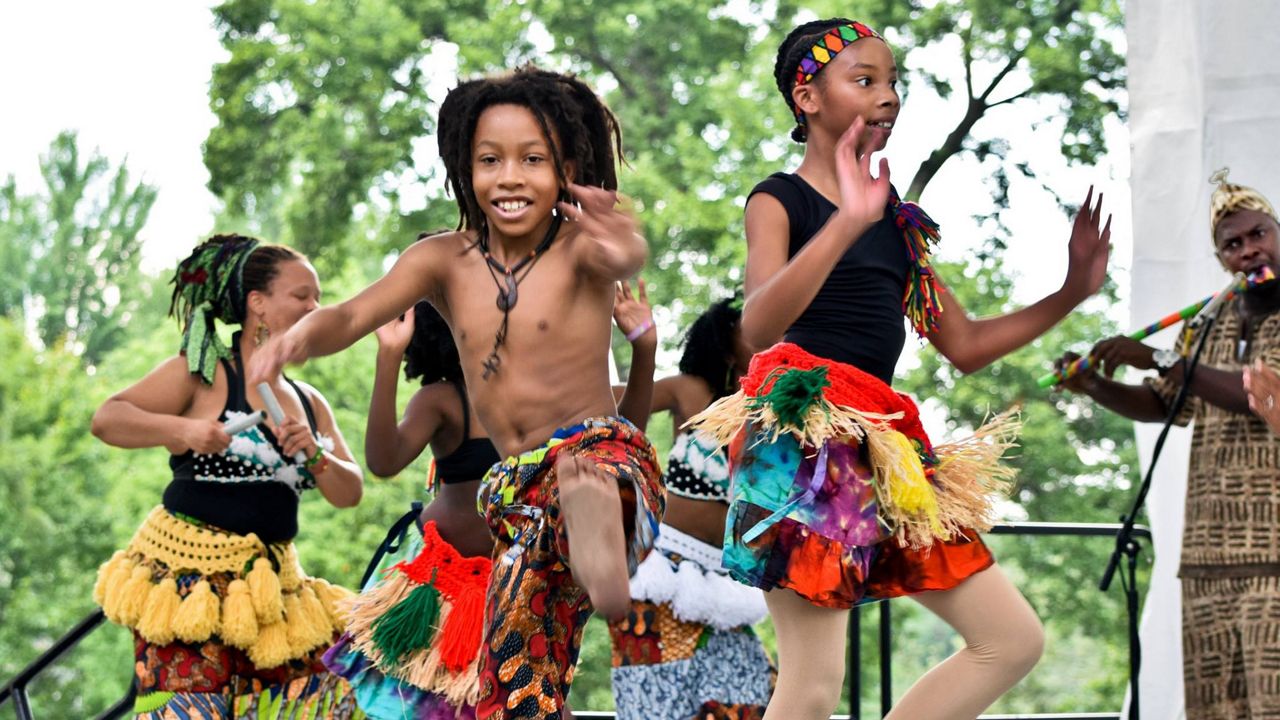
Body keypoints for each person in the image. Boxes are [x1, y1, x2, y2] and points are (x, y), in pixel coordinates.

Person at [688, 19, 1112, 719]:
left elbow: (966, 344)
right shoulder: (778, 198)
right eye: (865, 80)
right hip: (802, 440)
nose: (888, 96)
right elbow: (757, 324)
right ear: (807, 96)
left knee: (1009, 641)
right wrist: (845, 224)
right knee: (815, 685)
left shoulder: (898, 222)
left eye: (893, 83)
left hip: (885, 446)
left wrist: (1071, 291)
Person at [248, 67, 664, 720]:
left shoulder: (581, 247)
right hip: (520, 494)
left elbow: (626, 256)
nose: (509, 177)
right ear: (463, 168)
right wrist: (295, 339)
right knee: (513, 683)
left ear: (568, 168)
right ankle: (586, 564)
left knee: (591, 480)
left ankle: (600, 551)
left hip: (596, 458)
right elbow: (352, 315)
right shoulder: (443, 260)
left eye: (533, 160)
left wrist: (622, 240)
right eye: (489, 160)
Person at [324, 291, 661, 720]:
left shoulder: (545, 396)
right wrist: (389, 355)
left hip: (519, 587)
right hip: (444, 590)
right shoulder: (443, 398)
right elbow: (383, 460)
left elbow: (617, 439)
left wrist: (643, 347)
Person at [90, 234, 364, 718]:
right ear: (258, 303)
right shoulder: (203, 374)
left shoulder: (308, 400)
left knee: (333, 695)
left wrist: (316, 455)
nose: (315, 307)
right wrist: (186, 430)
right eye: (302, 296)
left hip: (271, 587)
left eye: (319, 298)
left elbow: (350, 491)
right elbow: (108, 419)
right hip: (190, 581)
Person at [1055, 169, 1280, 717]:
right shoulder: (1205, 321)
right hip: (1209, 551)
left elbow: (1256, 393)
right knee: (1217, 704)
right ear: (1221, 257)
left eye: (1259, 235)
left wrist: (1159, 357)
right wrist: (1095, 386)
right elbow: (1165, 403)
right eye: (1234, 244)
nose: (1249, 250)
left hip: (1273, 547)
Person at [608, 293, 776, 719]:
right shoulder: (691, 390)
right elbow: (610, 404)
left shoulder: (774, 409)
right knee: (658, 703)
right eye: (747, 324)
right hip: (664, 571)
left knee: (747, 701)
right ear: (724, 339)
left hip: (728, 583)